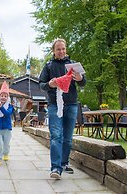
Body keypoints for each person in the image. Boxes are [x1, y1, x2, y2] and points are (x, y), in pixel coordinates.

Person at [39, 38, 86, 179]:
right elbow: (41, 84)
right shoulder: (48, 66)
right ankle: (55, 168)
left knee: (68, 138)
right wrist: (50, 84)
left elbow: (83, 83)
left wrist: (79, 78)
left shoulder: (73, 64)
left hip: (71, 104)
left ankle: (64, 163)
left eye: (63, 48)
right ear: (53, 51)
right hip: (54, 105)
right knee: (56, 136)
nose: (61, 51)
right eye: (58, 49)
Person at [0, 81, 14, 166]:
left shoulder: (10, 107)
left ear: (8, 98)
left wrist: (1, 108)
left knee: (6, 143)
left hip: (7, 128)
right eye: (2, 95)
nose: (3, 97)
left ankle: (6, 153)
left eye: (5, 96)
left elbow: (7, 114)